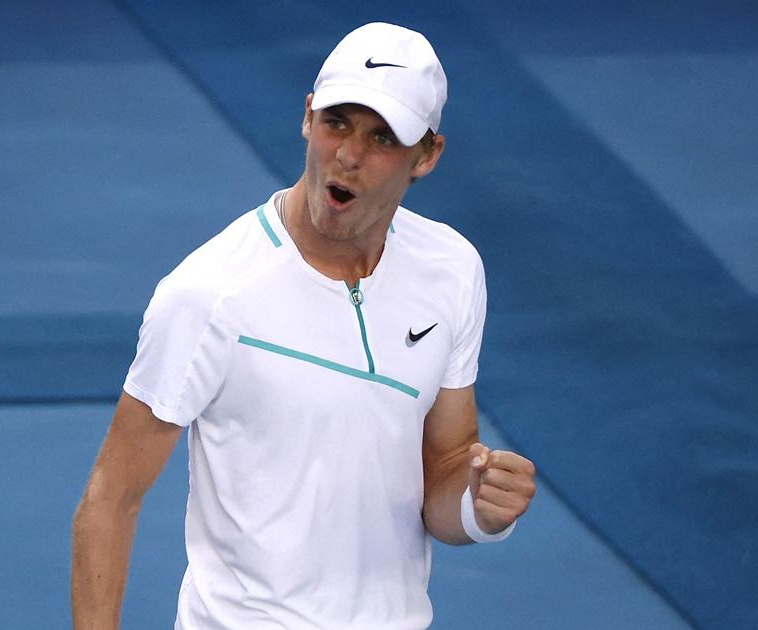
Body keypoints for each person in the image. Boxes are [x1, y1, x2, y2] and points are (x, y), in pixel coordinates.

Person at [72, 22, 537, 629]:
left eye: (382, 137)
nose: (349, 155)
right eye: (336, 122)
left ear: (427, 155)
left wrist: (479, 505)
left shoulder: (452, 270)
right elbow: (111, 497)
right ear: (307, 116)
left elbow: (444, 471)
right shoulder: (209, 294)